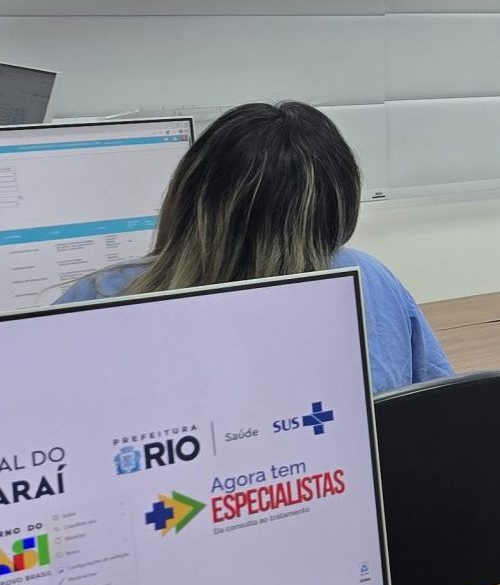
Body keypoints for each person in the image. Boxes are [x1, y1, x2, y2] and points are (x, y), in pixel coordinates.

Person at [56, 101, 451, 394]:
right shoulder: (366, 278)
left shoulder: (98, 298)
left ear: (191, 195)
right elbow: (440, 407)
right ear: (338, 205)